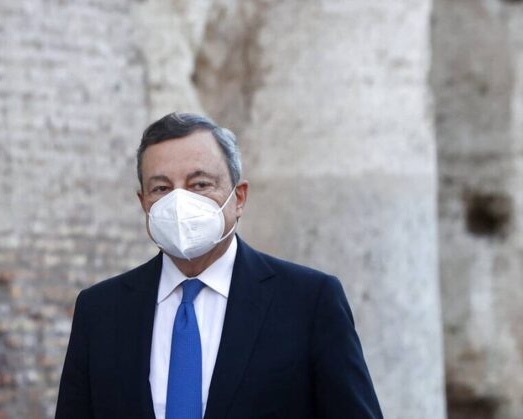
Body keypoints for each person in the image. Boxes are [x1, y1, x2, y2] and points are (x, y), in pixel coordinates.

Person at [55, 112, 383, 419]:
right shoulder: (100, 310)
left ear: (238, 197)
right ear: (144, 203)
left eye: (200, 184)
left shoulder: (309, 301)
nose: (180, 202)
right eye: (162, 188)